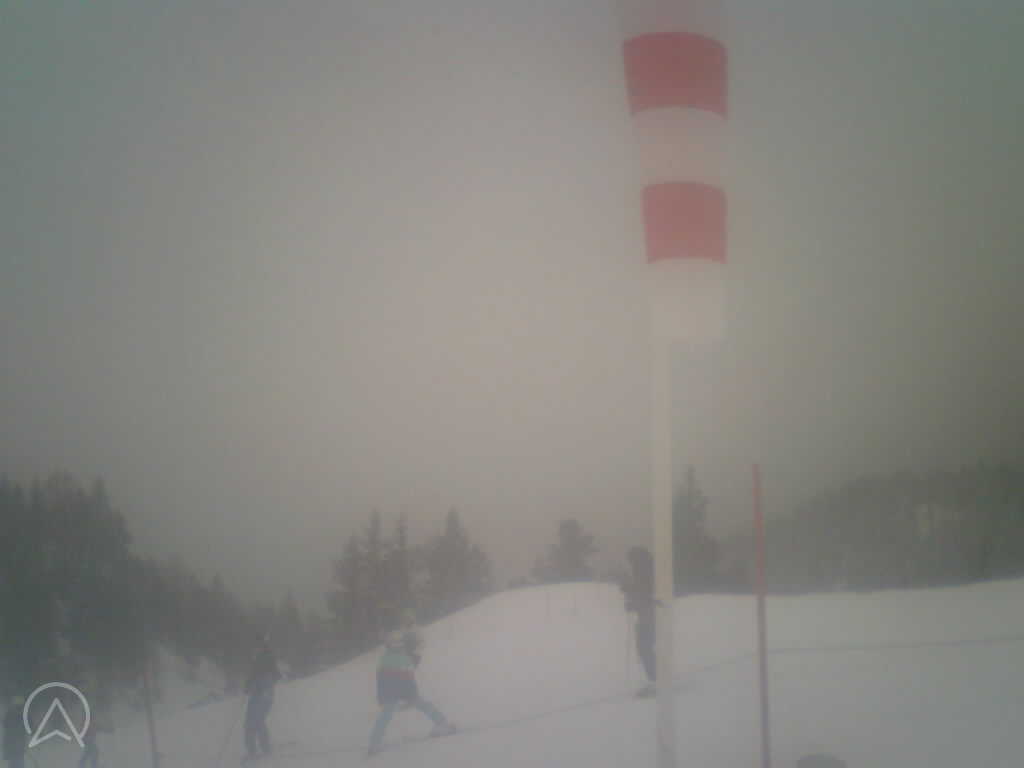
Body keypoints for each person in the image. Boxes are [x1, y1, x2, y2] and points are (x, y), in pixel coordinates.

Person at [367, 621, 455, 757]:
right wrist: (385, 697)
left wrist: (409, 693)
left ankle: (442, 724)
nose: (398, 644)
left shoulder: (402, 655)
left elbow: (407, 673)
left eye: (399, 642)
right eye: (394, 642)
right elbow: (387, 678)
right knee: (388, 713)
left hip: (402, 689)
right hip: (392, 691)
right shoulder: (392, 657)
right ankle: (374, 743)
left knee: (420, 705)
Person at [622, 546, 657, 696]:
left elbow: (646, 595)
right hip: (647, 616)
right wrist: (630, 591)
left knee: (645, 648)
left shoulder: (644, 573)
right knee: (645, 648)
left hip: (650, 617)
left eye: (631, 560)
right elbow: (641, 592)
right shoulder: (644, 572)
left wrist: (633, 601)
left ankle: (657, 681)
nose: (630, 563)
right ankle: (656, 679)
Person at [242, 635, 281, 762]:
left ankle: (256, 751)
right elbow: (253, 675)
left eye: (257, 646)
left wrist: (262, 686)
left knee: (254, 721)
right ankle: (261, 748)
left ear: (261, 646)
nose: (254, 649)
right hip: (258, 695)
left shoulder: (266, 658)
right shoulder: (258, 659)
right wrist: (248, 685)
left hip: (264, 696)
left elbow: (274, 675)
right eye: (254, 647)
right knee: (254, 721)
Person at [2, 696, 26, 768]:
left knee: (17, 762)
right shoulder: (11, 715)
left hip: (16, 745)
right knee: (16, 762)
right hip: (14, 745)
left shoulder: (11, 715)